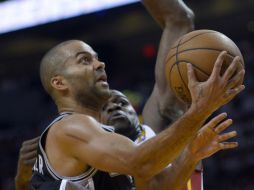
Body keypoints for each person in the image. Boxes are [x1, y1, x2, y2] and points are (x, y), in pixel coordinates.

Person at [16, 89, 239, 190]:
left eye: (122, 102)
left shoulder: (156, 135)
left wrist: (192, 155)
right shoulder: (84, 157)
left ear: (135, 111)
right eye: (105, 107)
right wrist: (23, 179)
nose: (114, 106)